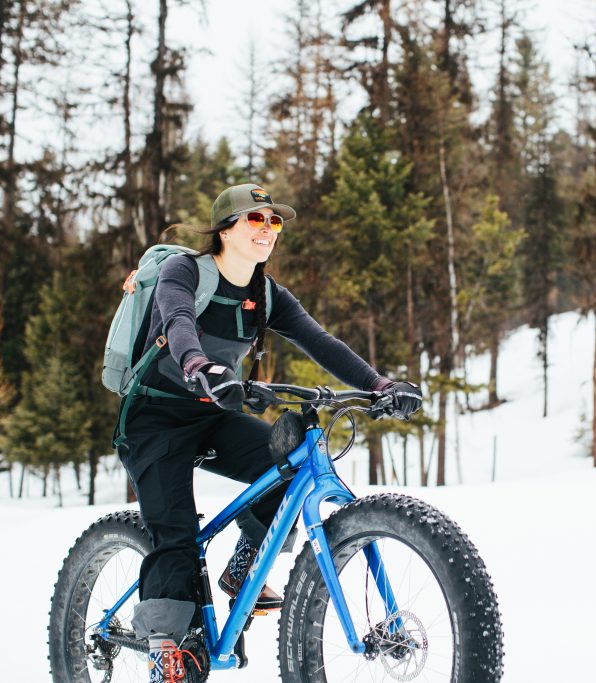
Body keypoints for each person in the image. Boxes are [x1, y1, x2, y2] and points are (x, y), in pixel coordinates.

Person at [116, 183, 422, 681]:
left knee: (285, 463)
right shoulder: (184, 271)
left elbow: (321, 341)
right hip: (155, 417)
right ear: (226, 229)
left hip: (213, 412)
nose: (268, 230)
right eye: (256, 220)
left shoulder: (265, 293)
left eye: (274, 222)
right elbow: (177, 321)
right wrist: (199, 364)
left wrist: (379, 385)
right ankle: (165, 643)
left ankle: (244, 567)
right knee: (175, 532)